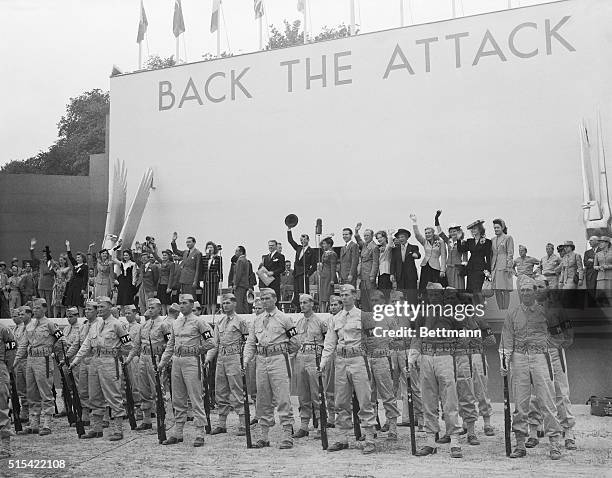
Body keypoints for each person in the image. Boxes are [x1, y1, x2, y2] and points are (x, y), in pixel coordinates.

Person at [500, 277, 564, 460]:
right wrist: (504, 361)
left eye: (529, 290)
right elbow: (506, 338)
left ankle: (554, 444)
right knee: (520, 404)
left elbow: (560, 334)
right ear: (520, 292)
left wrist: (545, 345)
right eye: (523, 290)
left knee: (547, 401)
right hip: (519, 359)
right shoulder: (512, 313)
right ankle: (520, 443)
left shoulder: (545, 312)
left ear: (535, 292)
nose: (526, 293)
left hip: (540, 357)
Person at [320, 284, 377, 454]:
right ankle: (342, 438)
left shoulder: (364, 316)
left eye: (347, 294)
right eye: (342, 295)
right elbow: (330, 342)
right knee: (341, 401)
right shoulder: (336, 318)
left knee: (365, 400)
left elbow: (372, 340)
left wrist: (372, 361)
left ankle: (369, 438)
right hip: (341, 360)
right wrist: (323, 362)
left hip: (359, 359)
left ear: (355, 296)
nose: (344, 297)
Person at [410, 283, 463, 458]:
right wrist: (413, 353)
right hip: (426, 356)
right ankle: (430, 442)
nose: (433, 297)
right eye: (430, 294)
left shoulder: (451, 311)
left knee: (450, 399)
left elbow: (461, 332)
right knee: (428, 400)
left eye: (436, 294)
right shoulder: (422, 311)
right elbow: (417, 333)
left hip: (445, 355)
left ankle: (454, 441)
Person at [70, 296, 133, 440]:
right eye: (97, 307)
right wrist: (76, 361)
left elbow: (129, 345)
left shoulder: (117, 325)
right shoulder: (95, 325)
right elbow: (86, 345)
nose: (99, 309)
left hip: (110, 362)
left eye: (102, 307)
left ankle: (117, 430)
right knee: (94, 396)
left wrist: (118, 352)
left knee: (113, 395)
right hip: (95, 361)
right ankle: (96, 428)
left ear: (110, 307)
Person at [243, 288, 298, 449]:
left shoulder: (284, 318)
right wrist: (246, 359)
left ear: (275, 299)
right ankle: (264, 436)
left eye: (267, 298)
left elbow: (295, 341)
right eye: (262, 298)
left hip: (278, 359)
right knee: (262, 398)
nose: (264, 301)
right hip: (261, 360)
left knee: (282, 397)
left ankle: (287, 435)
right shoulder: (257, 320)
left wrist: (284, 354)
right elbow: (251, 342)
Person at [158, 294, 214, 447]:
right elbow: (170, 345)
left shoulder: (199, 322)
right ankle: (178, 432)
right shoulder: (176, 323)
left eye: (184, 303)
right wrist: (162, 363)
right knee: (178, 398)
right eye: (180, 303)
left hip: (191, 361)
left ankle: (199, 433)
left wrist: (199, 349)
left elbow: (211, 342)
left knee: (195, 397)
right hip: (176, 360)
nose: (181, 306)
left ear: (192, 305)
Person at [528, 277, 577, 450]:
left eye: (541, 286)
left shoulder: (557, 308)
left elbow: (569, 335)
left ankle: (568, 433)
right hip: (536, 355)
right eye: (535, 287)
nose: (538, 289)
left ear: (548, 288)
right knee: (534, 394)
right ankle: (533, 431)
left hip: (554, 354)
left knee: (561, 393)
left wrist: (555, 347)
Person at [13, 298, 65, 436]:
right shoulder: (29, 325)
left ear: (44, 309)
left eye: (38, 308)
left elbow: (61, 340)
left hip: (44, 359)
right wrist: (17, 360)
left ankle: (47, 423)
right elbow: (24, 344)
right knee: (31, 391)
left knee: (45, 391)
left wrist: (54, 352)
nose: (35, 310)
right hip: (30, 359)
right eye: (34, 308)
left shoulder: (50, 324)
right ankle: (34, 423)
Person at [204, 293, 249, 436]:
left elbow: (247, 342)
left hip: (235, 357)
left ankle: (243, 423)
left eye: (228, 303)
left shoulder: (241, 322)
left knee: (236, 390)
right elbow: (214, 344)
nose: (225, 306)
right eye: (223, 303)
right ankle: (222, 424)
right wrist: (208, 358)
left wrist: (244, 361)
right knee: (220, 390)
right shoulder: (220, 322)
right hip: (221, 359)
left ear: (235, 304)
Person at [125, 298, 171, 432]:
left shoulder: (164, 325)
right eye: (149, 307)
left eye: (153, 308)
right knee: (143, 389)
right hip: (143, 359)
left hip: (155, 359)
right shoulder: (143, 326)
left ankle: (162, 420)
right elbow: (136, 346)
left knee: (157, 389)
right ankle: (146, 421)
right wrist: (129, 359)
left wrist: (164, 360)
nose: (150, 310)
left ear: (159, 309)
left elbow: (169, 344)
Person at [292, 294, 327, 440]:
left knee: (316, 393)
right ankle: (304, 425)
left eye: (305, 302)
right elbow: (294, 342)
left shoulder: (320, 322)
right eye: (300, 303)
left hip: (314, 359)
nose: (302, 305)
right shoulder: (298, 322)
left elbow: (328, 341)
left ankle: (320, 425)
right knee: (302, 394)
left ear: (312, 304)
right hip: (301, 358)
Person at [367, 290, 400, 441]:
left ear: (382, 302)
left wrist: (388, 345)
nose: (374, 304)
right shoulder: (366, 318)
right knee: (369, 395)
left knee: (387, 394)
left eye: (377, 301)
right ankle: (372, 426)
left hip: (383, 359)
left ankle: (392, 426)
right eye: (372, 301)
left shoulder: (389, 318)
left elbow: (397, 337)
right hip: (368, 359)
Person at [65, 300, 99, 431]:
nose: (87, 311)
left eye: (90, 309)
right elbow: (77, 344)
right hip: (84, 361)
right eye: (86, 309)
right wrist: (67, 358)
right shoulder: (83, 327)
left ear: (96, 311)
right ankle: (85, 413)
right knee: (83, 388)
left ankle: (104, 415)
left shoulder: (101, 324)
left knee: (97, 388)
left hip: (96, 359)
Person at [457, 220, 492, 303]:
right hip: (471, 268)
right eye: (472, 229)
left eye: (475, 228)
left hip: (481, 269)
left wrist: (488, 271)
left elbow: (488, 257)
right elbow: (460, 249)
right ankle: (470, 311)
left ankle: (479, 309)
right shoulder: (470, 241)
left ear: (480, 229)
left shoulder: (487, 242)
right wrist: (459, 239)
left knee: (478, 291)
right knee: (469, 290)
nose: (473, 230)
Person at [410, 214, 447, 291]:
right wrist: (414, 222)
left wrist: (443, 270)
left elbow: (443, 256)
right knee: (424, 287)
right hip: (425, 266)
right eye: (426, 233)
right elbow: (417, 235)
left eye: (429, 233)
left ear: (433, 233)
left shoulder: (440, 242)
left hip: (435, 267)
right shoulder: (424, 242)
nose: (427, 234)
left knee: (435, 287)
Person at [435, 213, 467, 290]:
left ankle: (460, 301)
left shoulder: (463, 242)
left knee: (458, 287)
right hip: (449, 267)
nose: (452, 233)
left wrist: (463, 267)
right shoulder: (449, 241)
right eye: (451, 231)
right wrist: (436, 219)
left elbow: (465, 256)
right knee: (449, 287)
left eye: (454, 231)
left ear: (459, 232)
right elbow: (440, 233)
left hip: (457, 268)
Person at [287, 228, 316, 309]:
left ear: (308, 240)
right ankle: (297, 307)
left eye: (303, 239)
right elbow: (291, 241)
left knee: (303, 292)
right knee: (296, 292)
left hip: (304, 273)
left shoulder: (311, 251)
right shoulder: (298, 248)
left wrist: (308, 274)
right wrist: (289, 230)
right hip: (296, 273)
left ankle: (305, 308)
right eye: (301, 240)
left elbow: (314, 265)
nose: (302, 241)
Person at [390, 228, 420, 304]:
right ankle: (401, 312)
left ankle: (413, 312)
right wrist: (392, 274)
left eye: (402, 237)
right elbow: (393, 262)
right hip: (400, 276)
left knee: (412, 296)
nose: (401, 239)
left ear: (407, 237)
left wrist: (416, 255)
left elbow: (418, 254)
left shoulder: (413, 247)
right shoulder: (395, 249)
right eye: (399, 237)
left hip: (411, 276)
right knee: (400, 295)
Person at [0, 320, 17, 458]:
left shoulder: (4, 330)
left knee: (1, 408)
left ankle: (5, 447)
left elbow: (11, 353)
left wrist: (6, 369)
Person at [490, 218, 514, 310]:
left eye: (497, 227)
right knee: (497, 289)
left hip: (504, 266)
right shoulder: (492, 239)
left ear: (502, 227)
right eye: (494, 228)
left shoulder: (508, 238)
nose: (496, 229)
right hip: (494, 267)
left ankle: (505, 310)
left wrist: (509, 266)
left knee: (505, 289)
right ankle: (500, 309)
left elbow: (510, 253)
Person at [355, 223, 379, 312]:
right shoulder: (365, 245)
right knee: (364, 295)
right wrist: (356, 231)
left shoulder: (374, 247)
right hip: (362, 274)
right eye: (364, 235)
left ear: (372, 236)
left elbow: (376, 262)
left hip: (369, 274)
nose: (365, 237)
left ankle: (372, 313)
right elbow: (358, 240)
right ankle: (366, 312)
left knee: (371, 295)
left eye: (368, 235)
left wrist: (373, 275)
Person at [13, 306, 31, 425]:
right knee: (21, 388)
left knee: (32, 388)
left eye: (21, 314)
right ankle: (24, 412)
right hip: (19, 361)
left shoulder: (32, 327)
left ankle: (35, 414)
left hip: (29, 359)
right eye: (17, 315)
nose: (19, 317)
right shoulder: (17, 329)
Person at [64, 241, 88, 314]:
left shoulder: (85, 266)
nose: (77, 258)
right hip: (72, 284)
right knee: (70, 301)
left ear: (82, 258)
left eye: (79, 257)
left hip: (79, 285)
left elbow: (85, 278)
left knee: (79, 302)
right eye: (77, 257)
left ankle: (80, 317)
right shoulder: (75, 265)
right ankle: (71, 315)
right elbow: (70, 256)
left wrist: (83, 288)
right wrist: (68, 246)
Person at [29, 238, 55, 307]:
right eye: (43, 255)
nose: (44, 256)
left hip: (49, 286)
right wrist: (32, 247)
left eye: (46, 255)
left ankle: (49, 317)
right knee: (42, 304)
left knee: (48, 303)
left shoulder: (52, 262)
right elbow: (33, 257)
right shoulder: (41, 262)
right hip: (41, 285)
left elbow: (51, 271)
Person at [230, 246, 254, 314]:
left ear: (241, 252)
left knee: (238, 303)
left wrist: (235, 284)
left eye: (237, 251)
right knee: (244, 303)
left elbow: (238, 274)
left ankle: (240, 316)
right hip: (245, 284)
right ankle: (245, 316)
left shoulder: (240, 260)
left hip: (240, 285)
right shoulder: (245, 260)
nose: (235, 253)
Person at [152, 248, 176, 315]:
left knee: (167, 301)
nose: (164, 256)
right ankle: (163, 315)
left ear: (169, 256)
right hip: (160, 283)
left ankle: (169, 315)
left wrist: (169, 287)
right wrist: (153, 250)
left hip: (166, 284)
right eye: (163, 255)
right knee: (162, 301)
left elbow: (171, 276)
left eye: (165, 255)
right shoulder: (162, 262)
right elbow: (156, 257)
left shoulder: (171, 264)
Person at [201, 241, 223, 316]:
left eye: (211, 247)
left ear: (214, 249)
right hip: (206, 278)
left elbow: (220, 269)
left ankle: (213, 313)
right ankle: (208, 313)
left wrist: (221, 279)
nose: (209, 249)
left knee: (213, 296)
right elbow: (202, 269)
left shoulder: (218, 258)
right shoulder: (204, 258)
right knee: (206, 296)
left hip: (214, 278)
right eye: (208, 247)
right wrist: (200, 280)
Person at [318, 237, 338, 312]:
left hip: (329, 276)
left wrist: (332, 279)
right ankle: (322, 311)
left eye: (324, 244)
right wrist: (325, 238)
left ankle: (331, 310)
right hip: (323, 275)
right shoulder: (325, 252)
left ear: (329, 244)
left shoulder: (332, 254)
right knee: (322, 296)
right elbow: (320, 244)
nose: (323, 245)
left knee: (328, 295)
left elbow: (333, 267)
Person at [375, 231, 395, 301]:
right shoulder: (379, 248)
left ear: (385, 237)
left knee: (387, 292)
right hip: (380, 273)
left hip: (387, 272)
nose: (379, 239)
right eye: (378, 238)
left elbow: (389, 244)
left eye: (381, 237)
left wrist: (389, 235)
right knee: (381, 292)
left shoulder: (388, 247)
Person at [51, 254, 71, 318]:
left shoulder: (67, 268)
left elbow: (63, 272)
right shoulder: (57, 268)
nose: (60, 261)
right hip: (57, 285)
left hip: (63, 286)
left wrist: (57, 266)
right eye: (59, 260)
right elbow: (55, 276)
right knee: (55, 303)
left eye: (62, 260)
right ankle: (55, 317)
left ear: (65, 261)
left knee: (62, 303)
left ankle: (62, 317)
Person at [594, 235, 612, 305]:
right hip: (600, 277)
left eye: (602, 242)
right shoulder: (597, 254)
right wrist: (599, 267)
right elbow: (594, 266)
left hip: (610, 277)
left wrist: (607, 266)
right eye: (599, 243)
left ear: (607, 243)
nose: (600, 244)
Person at [583, 236, 600, 307]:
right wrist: (594, 261)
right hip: (590, 274)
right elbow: (585, 263)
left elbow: (601, 261)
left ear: (597, 241)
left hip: (600, 273)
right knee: (590, 290)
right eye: (589, 241)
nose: (589, 242)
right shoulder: (587, 252)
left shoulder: (601, 250)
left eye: (591, 240)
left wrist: (592, 260)